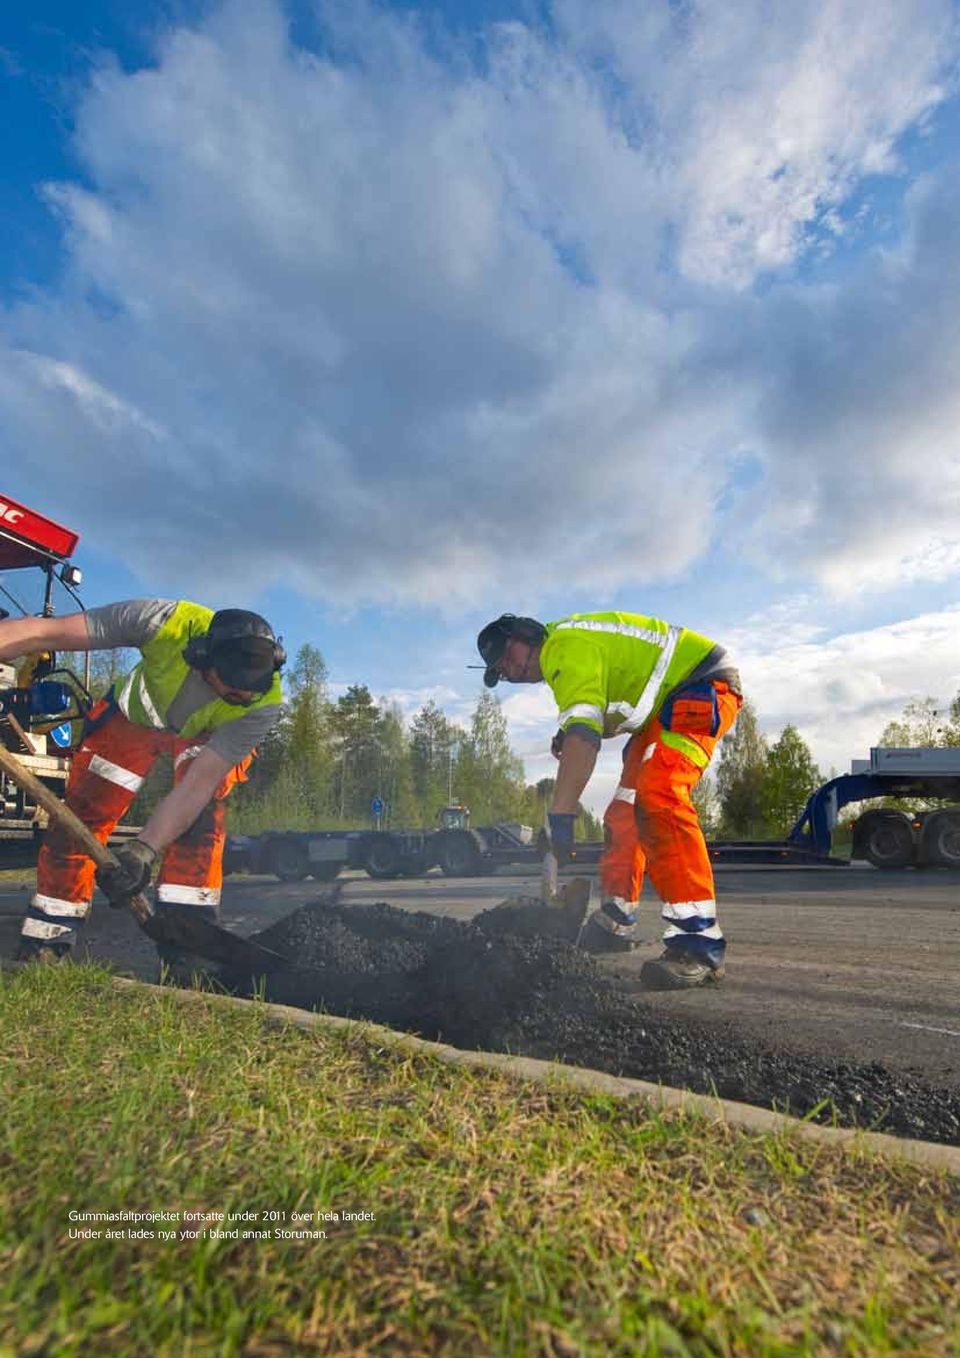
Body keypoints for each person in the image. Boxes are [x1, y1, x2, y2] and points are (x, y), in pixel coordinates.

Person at [0, 600, 284, 975]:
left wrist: (142, 852)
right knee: (77, 823)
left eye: (252, 689)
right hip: (129, 722)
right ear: (201, 660)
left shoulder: (262, 706)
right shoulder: (159, 622)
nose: (244, 697)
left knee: (200, 820)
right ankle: (47, 942)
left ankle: (189, 949)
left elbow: (198, 784)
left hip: (205, 739)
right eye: (233, 691)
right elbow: (41, 632)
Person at [476, 611, 741, 989]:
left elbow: (585, 739)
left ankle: (699, 946)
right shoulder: (566, 657)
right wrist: (568, 734)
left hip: (700, 684)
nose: (507, 670)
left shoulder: (562, 648)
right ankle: (617, 918)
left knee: (659, 795)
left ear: (525, 635)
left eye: (505, 655)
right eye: (499, 670)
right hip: (661, 711)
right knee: (623, 813)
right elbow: (595, 718)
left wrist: (561, 817)